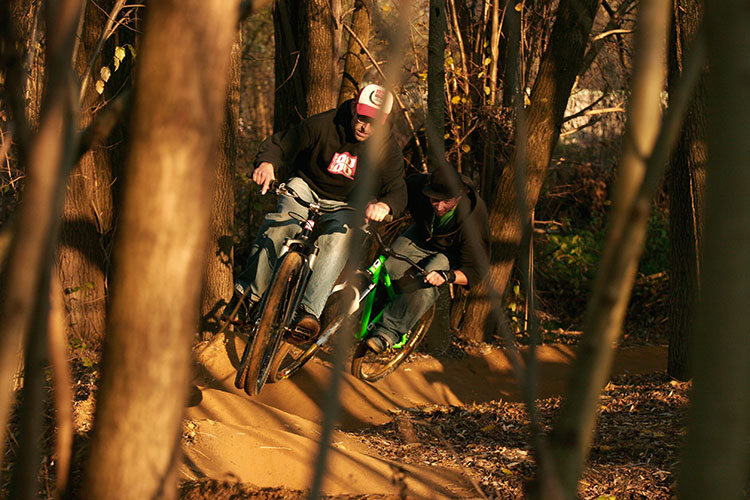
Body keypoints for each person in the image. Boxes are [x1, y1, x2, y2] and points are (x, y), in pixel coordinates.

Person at [224, 83, 407, 340]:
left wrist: (385, 205)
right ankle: (246, 298)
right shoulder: (325, 124)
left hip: (348, 205)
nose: (365, 126)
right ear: (354, 108)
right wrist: (267, 163)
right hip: (306, 187)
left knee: (338, 241)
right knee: (282, 225)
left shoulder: (386, 148)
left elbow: (397, 188)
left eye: (373, 122)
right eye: (362, 117)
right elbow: (283, 143)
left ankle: (307, 313)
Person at [365, 166, 491, 353]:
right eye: (434, 200)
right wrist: (378, 206)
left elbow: (476, 271)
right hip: (424, 234)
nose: (439, 207)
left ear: (459, 196)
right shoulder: (417, 185)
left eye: (446, 202)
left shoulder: (473, 219)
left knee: (425, 282)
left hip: (451, 251)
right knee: (388, 267)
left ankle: (388, 332)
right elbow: (394, 194)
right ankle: (375, 318)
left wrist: (446, 276)